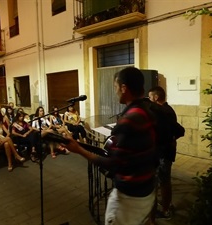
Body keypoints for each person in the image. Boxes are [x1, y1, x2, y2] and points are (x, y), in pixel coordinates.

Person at [64, 67, 157, 225]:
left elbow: (112, 164)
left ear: (124, 88)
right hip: (147, 189)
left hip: (128, 198)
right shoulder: (149, 110)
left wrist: (78, 149)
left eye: (115, 88)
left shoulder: (129, 120)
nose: (115, 93)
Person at [148, 86, 178, 221]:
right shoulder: (167, 110)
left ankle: (166, 209)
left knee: (164, 181)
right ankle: (167, 205)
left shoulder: (164, 112)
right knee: (164, 180)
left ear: (155, 97)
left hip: (164, 152)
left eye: (150, 97)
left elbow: (167, 133)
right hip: (165, 151)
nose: (149, 100)